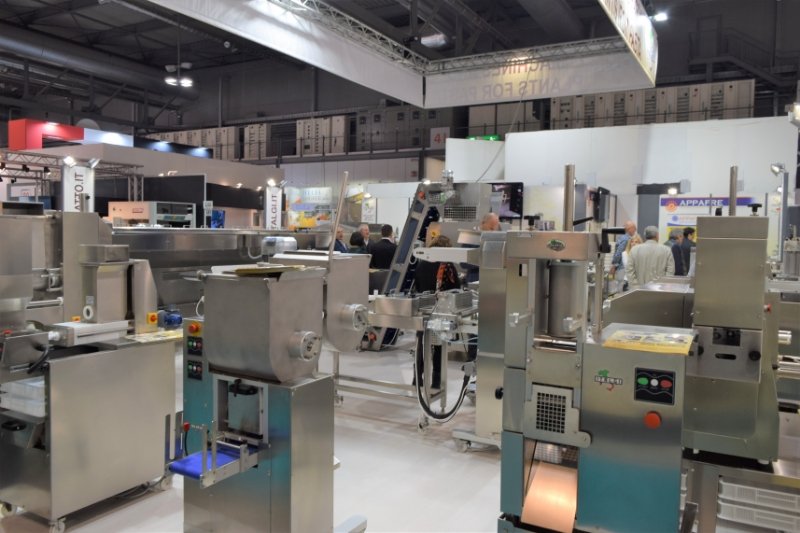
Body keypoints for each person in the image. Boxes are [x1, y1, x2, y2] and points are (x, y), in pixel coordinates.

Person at [413, 235, 460, 390]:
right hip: (440, 310)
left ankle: (417, 378)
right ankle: (436, 380)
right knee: (439, 345)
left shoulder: (421, 263)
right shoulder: (447, 264)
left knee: (421, 343)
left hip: (423, 308)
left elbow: (417, 284)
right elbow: (456, 288)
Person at [462, 213, 502, 283]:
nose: (493, 231)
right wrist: (484, 261)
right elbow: (463, 263)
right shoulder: (470, 237)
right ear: (483, 223)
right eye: (491, 228)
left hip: (493, 280)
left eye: (495, 229)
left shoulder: (497, 238)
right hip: (475, 279)